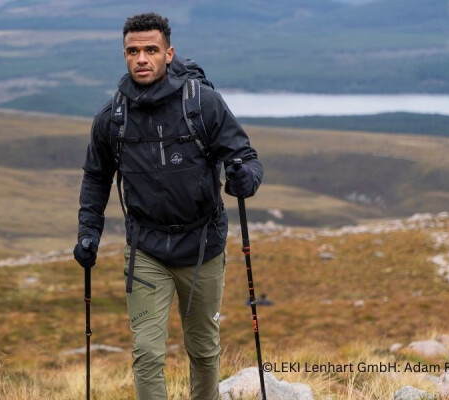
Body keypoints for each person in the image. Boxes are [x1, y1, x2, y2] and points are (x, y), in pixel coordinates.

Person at [72, 12, 263, 400]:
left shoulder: (202, 105)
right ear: (124, 55)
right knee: (146, 352)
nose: (141, 58)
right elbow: (96, 177)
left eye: (151, 50)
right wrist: (88, 233)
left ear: (169, 53)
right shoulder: (113, 119)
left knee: (205, 351)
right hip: (146, 249)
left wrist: (245, 179)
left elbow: (246, 156)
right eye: (132, 51)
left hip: (203, 246)